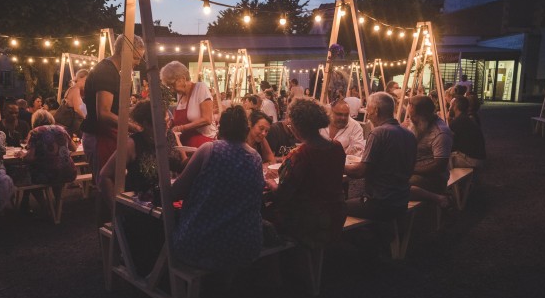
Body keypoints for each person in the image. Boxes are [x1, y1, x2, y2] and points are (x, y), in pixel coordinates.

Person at [171, 105, 264, 271]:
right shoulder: (255, 157)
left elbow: (176, 192)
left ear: (221, 128)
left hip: (203, 245)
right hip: (245, 246)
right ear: (246, 129)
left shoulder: (209, 149)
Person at [264, 99, 346, 247]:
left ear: (296, 126)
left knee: (265, 215)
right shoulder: (337, 147)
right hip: (336, 215)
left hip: (310, 222)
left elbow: (283, 193)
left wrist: (270, 183)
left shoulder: (300, 154)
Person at [99, 100, 185, 211]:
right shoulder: (132, 144)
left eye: (168, 122)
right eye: (162, 124)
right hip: (144, 206)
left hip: (172, 200)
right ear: (146, 124)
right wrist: (116, 211)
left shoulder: (171, 136)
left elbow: (184, 163)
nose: (166, 127)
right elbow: (105, 175)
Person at [344, 92, 417, 221]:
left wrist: (337, 165)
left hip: (380, 203)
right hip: (401, 201)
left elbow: (361, 171)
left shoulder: (378, 133)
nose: (367, 113)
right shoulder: (409, 134)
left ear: (376, 110)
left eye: (368, 108)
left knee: (336, 206)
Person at [81, 34, 144, 179]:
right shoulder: (106, 71)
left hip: (106, 135)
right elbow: (104, 113)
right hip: (100, 137)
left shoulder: (114, 71)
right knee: (107, 184)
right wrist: (134, 127)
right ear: (123, 52)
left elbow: (117, 109)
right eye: (135, 57)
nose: (138, 63)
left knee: (111, 184)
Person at [21, 109, 77, 205]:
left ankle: (44, 206)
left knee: (29, 179)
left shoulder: (35, 132)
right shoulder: (61, 129)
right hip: (68, 173)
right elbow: (74, 148)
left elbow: (30, 158)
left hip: (47, 174)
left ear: (35, 121)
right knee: (58, 170)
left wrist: (22, 155)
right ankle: (57, 204)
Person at [407, 95, 453, 207]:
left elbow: (440, 165)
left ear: (423, 115)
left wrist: (411, 170)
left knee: (394, 187)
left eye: (413, 116)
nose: (411, 119)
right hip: (415, 172)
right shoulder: (418, 124)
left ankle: (438, 198)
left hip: (434, 178)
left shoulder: (440, 133)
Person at [160, 61, 217, 148]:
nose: (171, 90)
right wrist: (171, 122)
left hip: (203, 144)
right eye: (169, 87)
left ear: (182, 79)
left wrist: (181, 128)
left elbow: (207, 119)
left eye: (172, 85)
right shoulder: (180, 94)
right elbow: (181, 119)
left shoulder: (200, 88)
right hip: (185, 143)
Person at [449, 96, 486, 168]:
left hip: (473, 160)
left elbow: (449, 144)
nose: (450, 107)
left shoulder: (457, 122)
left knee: (442, 159)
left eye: (451, 105)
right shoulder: (466, 118)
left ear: (455, 106)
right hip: (479, 157)